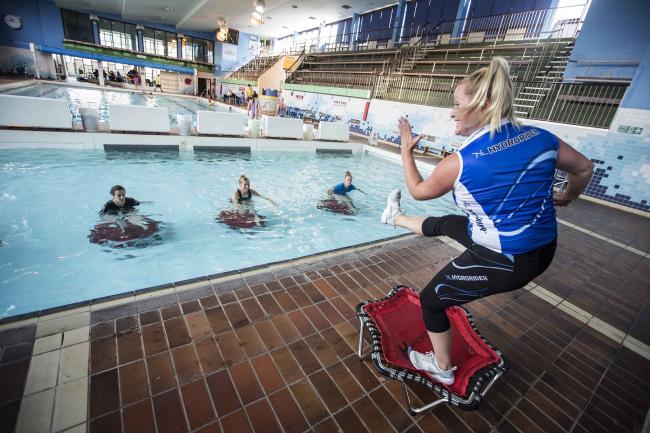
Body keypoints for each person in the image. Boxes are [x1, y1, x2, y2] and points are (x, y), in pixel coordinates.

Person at [380, 57, 593, 385]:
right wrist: (567, 196)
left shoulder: (460, 162)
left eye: (457, 103)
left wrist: (406, 151)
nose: (452, 112)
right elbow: (583, 168)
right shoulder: (541, 137)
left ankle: (442, 368)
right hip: (543, 250)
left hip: (503, 261)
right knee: (451, 224)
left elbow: (419, 190)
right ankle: (394, 218)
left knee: (431, 301)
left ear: (486, 104)